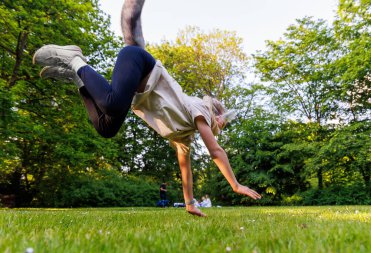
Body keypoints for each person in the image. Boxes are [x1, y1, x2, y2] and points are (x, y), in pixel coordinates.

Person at [32, 0, 261, 217]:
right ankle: (74, 59)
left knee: (106, 127)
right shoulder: (199, 108)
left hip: (134, 89)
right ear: (215, 114)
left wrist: (190, 202)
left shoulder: (185, 135)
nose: (221, 127)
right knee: (111, 104)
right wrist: (236, 184)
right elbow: (216, 151)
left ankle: (77, 78)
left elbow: (185, 170)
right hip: (138, 62)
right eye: (222, 122)